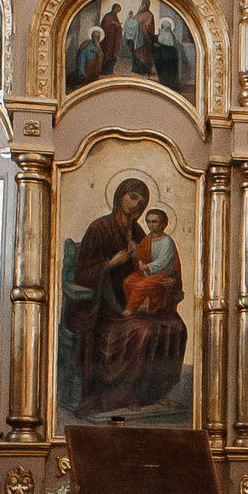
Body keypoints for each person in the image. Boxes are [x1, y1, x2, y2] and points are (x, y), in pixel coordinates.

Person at [64, 175, 186, 416]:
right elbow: (81, 274)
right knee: (144, 332)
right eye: (133, 197)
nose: (137, 204)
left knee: (175, 327)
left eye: (142, 200)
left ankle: (154, 393)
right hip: (106, 307)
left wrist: (166, 281)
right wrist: (109, 264)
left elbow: (152, 264)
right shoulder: (99, 228)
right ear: (120, 197)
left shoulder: (140, 231)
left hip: (137, 300)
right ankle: (125, 395)